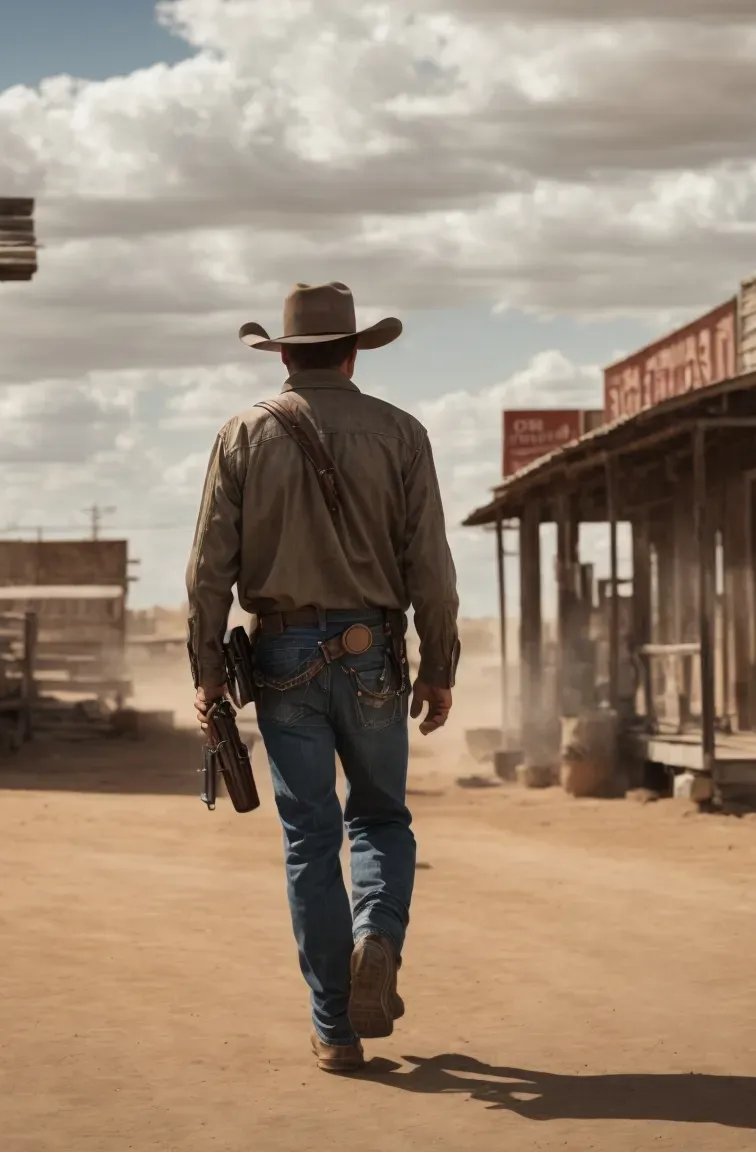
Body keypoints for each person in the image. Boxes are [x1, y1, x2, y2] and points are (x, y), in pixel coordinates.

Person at [185, 281, 460, 1075]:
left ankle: (334, 1028)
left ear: (284, 354)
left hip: (277, 659)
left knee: (309, 839)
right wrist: (440, 664)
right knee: (379, 820)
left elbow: (208, 568)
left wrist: (206, 669)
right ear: (351, 351)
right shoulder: (402, 434)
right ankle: (377, 939)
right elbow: (430, 569)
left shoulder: (242, 435)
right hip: (373, 649)